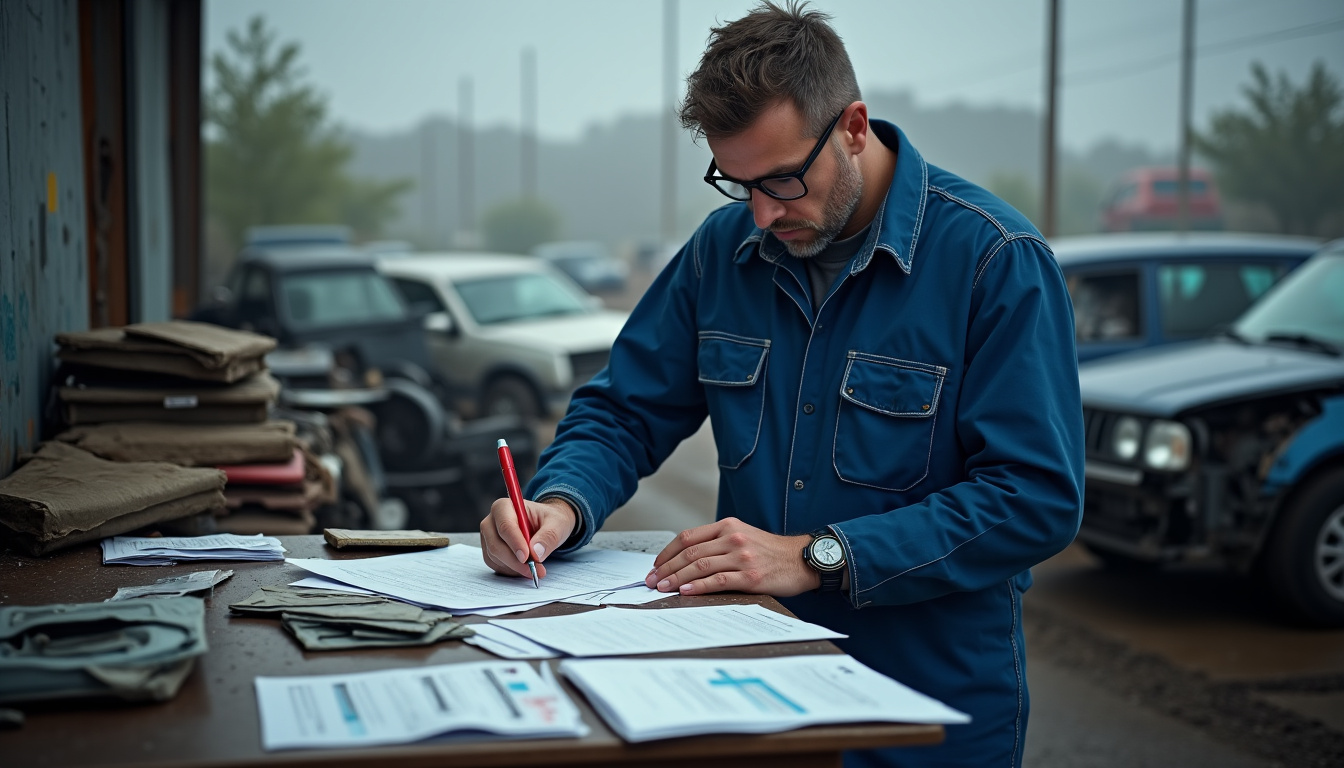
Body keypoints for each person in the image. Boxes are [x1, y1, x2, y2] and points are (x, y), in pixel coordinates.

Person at [479, 3, 1083, 765]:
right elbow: (623, 409)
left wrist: (817, 556)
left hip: (930, 717)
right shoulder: (719, 251)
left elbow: (1035, 498)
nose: (763, 214)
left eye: (783, 180)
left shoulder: (995, 262)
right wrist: (560, 504)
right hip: (755, 700)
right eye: (737, 185)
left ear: (854, 127)